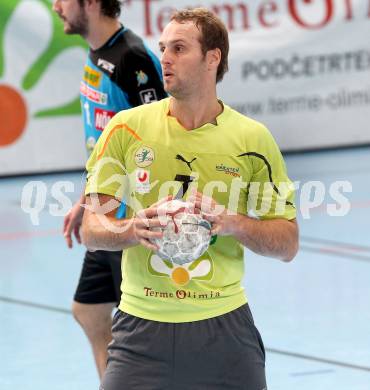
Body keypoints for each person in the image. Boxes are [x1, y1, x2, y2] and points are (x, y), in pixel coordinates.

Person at [82, 7, 299, 389]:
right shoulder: (125, 129)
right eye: (163, 47)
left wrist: (233, 223)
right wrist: (132, 229)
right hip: (140, 327)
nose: (164, 57)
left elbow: (287, 244)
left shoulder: (253, 140)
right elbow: (91, 228)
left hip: (224, 328)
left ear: (212, 58)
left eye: (179, 48)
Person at [52, 0, 167, 379]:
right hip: (103, 210)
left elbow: (161, 137)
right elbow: (104, 143)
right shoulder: (98, 52)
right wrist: (87, 200)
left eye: (64, 0)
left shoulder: (131, 58)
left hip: (128, 222)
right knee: (88, 309)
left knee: (142, 332)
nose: (56, 7)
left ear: (91, 3)